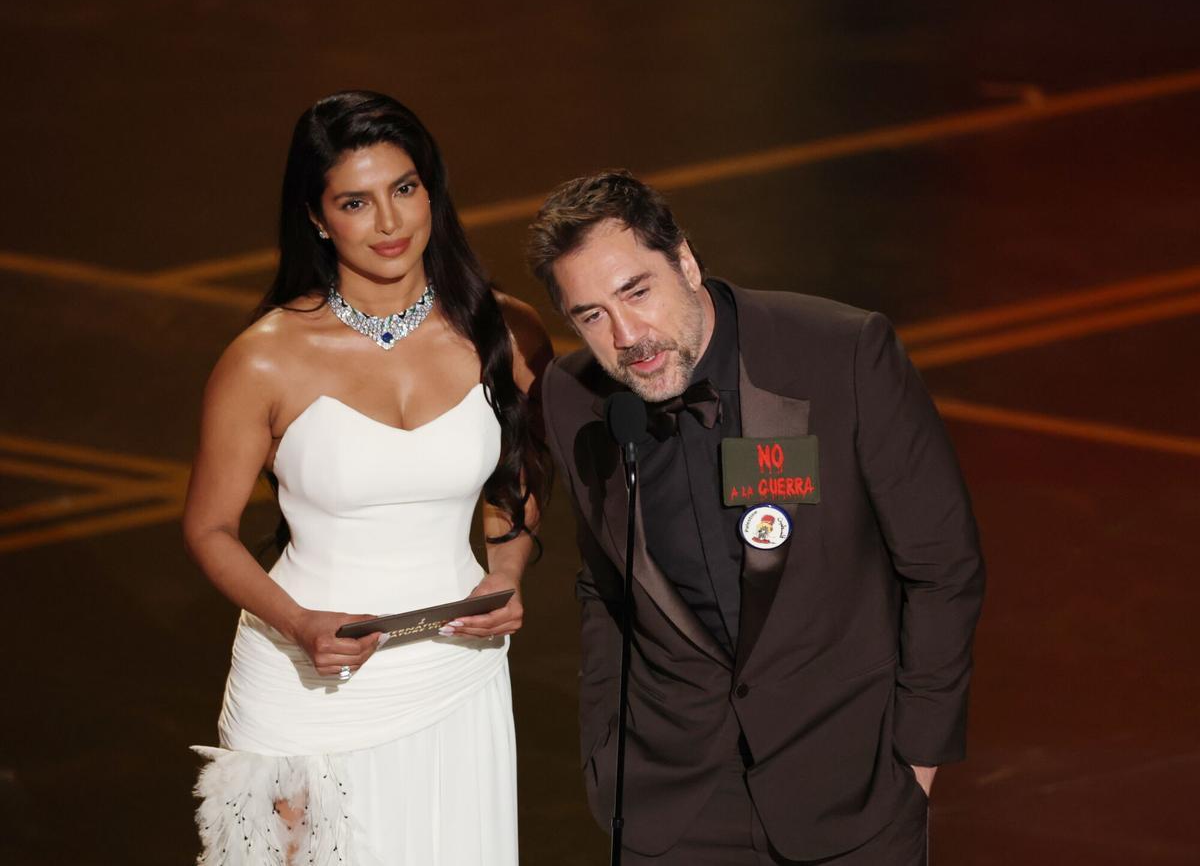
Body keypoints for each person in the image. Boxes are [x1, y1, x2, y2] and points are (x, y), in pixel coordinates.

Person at [529, 170, 985, 865]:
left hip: (848, 788)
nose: (627, 336)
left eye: (636, 292)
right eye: (591, 316)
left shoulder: (841, 353)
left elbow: (942, 567)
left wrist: (917, 762)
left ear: (685, 262)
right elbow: (605, 586)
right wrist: (607, 752)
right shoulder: (573, 399)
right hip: (674, 805)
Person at [181, 91, 551, 865]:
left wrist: (507, 574)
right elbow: (209, 529)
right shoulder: (263, 359)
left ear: (431, 190)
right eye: (355, 202)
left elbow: (515, 482)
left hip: (456, 673)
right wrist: (297, 623)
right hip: (304, 690)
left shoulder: (506, 333)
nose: (389, 222)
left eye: (404, 188)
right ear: (317, 218)